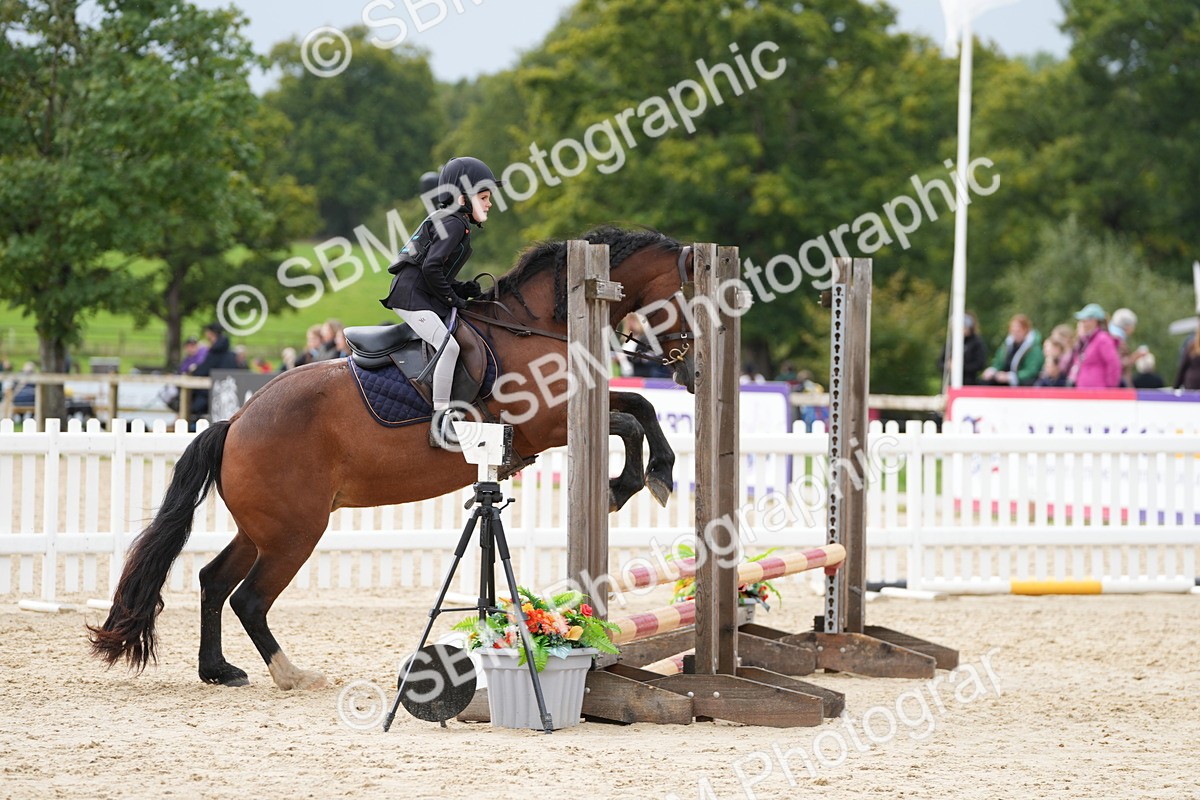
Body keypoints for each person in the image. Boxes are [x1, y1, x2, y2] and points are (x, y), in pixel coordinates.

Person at [380, 156, 497, 448]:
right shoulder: (454, 223)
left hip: (418, 291)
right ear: (462, 198)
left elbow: (434, 269)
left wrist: (461, 287)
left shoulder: (453, 220)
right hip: (411, 297)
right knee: (449, 345)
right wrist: (452, 297)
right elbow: (431, 268)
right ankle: (441, 419)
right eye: (483, 197)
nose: (489, 204)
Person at [1061, 303, 1121, 389]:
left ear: (1094, 321)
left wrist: (1110, 387)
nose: (1082, 324)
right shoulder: (1086, 341)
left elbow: (1113, 363)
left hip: (1098, 391)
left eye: (1084, 320)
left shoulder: (1102, 339)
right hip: (1084, 391)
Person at [188, 323, 240, 417]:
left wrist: (193, 370)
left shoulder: (214, 353)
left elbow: (203, 370)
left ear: (211, 334)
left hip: (212, 393)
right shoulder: (230, 354)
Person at [980, 314, 1044, 387]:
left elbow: (1032, 371)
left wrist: (1010, 377)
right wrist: (993, 370)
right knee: (985, 382)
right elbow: (999, 363)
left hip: (1022, 383)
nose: (1015, 333)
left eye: (1018, 330)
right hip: (1004, 380)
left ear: (1025, 330)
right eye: (1013, 330)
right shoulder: (1007, 345)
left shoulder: (1034, 348)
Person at [937, 312, 989, 385]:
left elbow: (980, 364)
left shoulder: (976, 342)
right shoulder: (950, 342)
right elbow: (940, 362)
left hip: (969, 383)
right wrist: (948, 365)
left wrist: (960, 367)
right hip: (949, 383)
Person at [1109, 308, 1148, 387]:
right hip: (1118, 383)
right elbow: (1118, 363)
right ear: (1127, 326)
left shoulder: (1111, 335)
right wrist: (1135, 356)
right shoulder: (1118, 340)